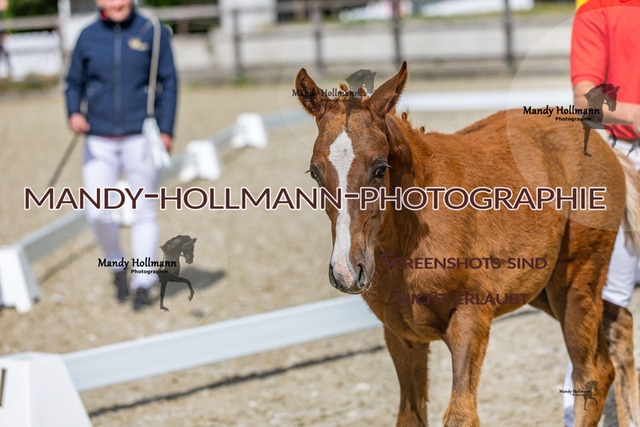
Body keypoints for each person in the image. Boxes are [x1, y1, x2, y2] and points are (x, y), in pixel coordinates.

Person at [65, 0, 177, 310]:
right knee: (97, 212)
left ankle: (143, 282)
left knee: (143, 212)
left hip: (141, 136)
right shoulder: (87, 35)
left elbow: (169, 82)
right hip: (98, 138)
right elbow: (73, 82)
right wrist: (74, 112)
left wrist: (166, 130)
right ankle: (117, 265)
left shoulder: (152, 30)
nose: (117, 2)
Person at [565, 0, 640, 424]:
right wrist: (635, 113)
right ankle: (576, 412)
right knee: (603, 300)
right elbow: (587, 102)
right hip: (622, 158)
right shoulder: (599, 9)